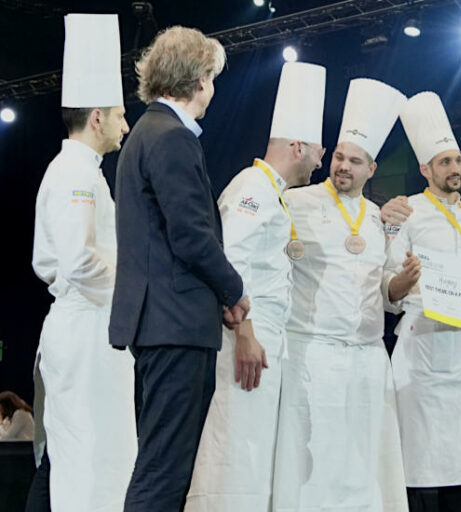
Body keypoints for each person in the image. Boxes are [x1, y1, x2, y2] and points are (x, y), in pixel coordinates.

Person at [109, 26, 249, 511]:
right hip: (175, 325)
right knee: (164, 473)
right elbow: (191, 235)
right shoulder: (171, 137)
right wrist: (233, 290)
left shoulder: (147, 132)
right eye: (212, 77)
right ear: (200, 79)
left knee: (162, 467)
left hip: (162, 322)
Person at [186, 62, 326, 511]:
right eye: (318, 151)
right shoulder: (252, 187)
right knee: (234, 451)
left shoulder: (273, 192)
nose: (321, 161)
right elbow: (229, 264)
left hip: (263, 342)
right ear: (298, 146)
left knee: (253, 454)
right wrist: (244, 335)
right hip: (244, 341)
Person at [271, 78, 409, 512]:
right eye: (339, 157)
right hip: (312, 355)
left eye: (355, 161)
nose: (343, 166)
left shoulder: (379, 218)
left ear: (372, 169)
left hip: (368, 359)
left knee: (365, 465)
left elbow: (386, 291)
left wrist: (405, 281)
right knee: (314, 468)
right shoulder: (295, 202)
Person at [31, 14, 136, 511]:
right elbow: (78, 263)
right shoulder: (75, 172)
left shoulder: (82, 171)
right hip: (85, 330)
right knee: (88, 462)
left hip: (94, 329)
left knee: (102, 458)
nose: (125, 126)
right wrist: (137, 288)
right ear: (97, 118)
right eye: (119, 115)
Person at [385, 91, 461, 512]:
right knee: (420, 458)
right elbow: (387, 282)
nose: (455, 169)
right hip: (423, 351)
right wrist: (402, 282)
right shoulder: (408, 212)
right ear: (425, 169)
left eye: (457, 161)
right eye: (445, 162)